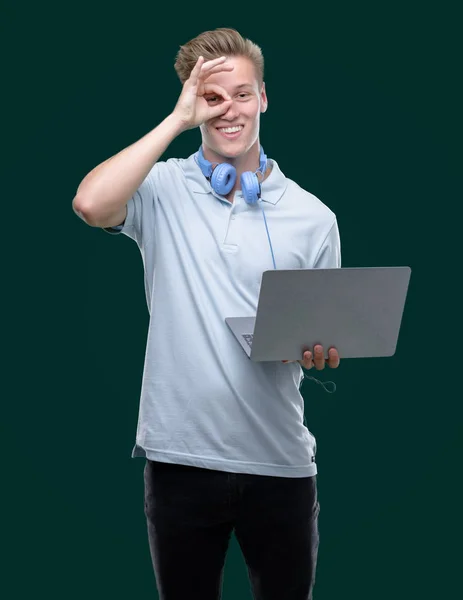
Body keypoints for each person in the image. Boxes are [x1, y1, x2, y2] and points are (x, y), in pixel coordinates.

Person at [73, 27, 341, 600]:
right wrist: (177, 119)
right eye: (212, 99)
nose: (229, 111)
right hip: (179, 462)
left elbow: (325, 328)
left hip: (281, 464)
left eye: (241, 94)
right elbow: (91, 204)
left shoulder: (314, 216)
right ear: (194, 102)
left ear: (264, 97)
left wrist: (321, 350)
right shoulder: (161, 188)